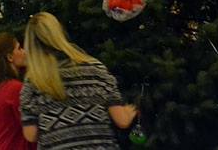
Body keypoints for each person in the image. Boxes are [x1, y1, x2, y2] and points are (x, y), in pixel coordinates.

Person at [19, 13, 138, 149]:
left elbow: (30, 134)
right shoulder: (95, 68)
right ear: (59, 33)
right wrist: (132, 109)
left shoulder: (33, 82)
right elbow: (122, 120)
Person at [0, 32, 33, 150]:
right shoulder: (14, 89)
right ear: (9, 57)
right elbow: (31, 131)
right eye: (19, 48)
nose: (24, 52)